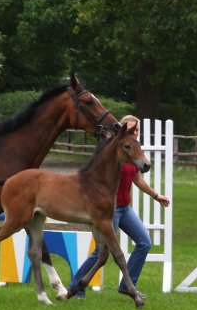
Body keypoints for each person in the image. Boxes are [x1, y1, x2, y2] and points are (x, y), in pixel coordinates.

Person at [72, 115, 171, 299]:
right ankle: (76, 286)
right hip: (111, 208)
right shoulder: (115, 152)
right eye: (129, 129)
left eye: (135, 130)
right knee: (102, 250)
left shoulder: (133, 152)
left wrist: (156, 195)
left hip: (125, 208)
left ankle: (127, 285)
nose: (132, 133)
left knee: (144, 242)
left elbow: (137, 179)